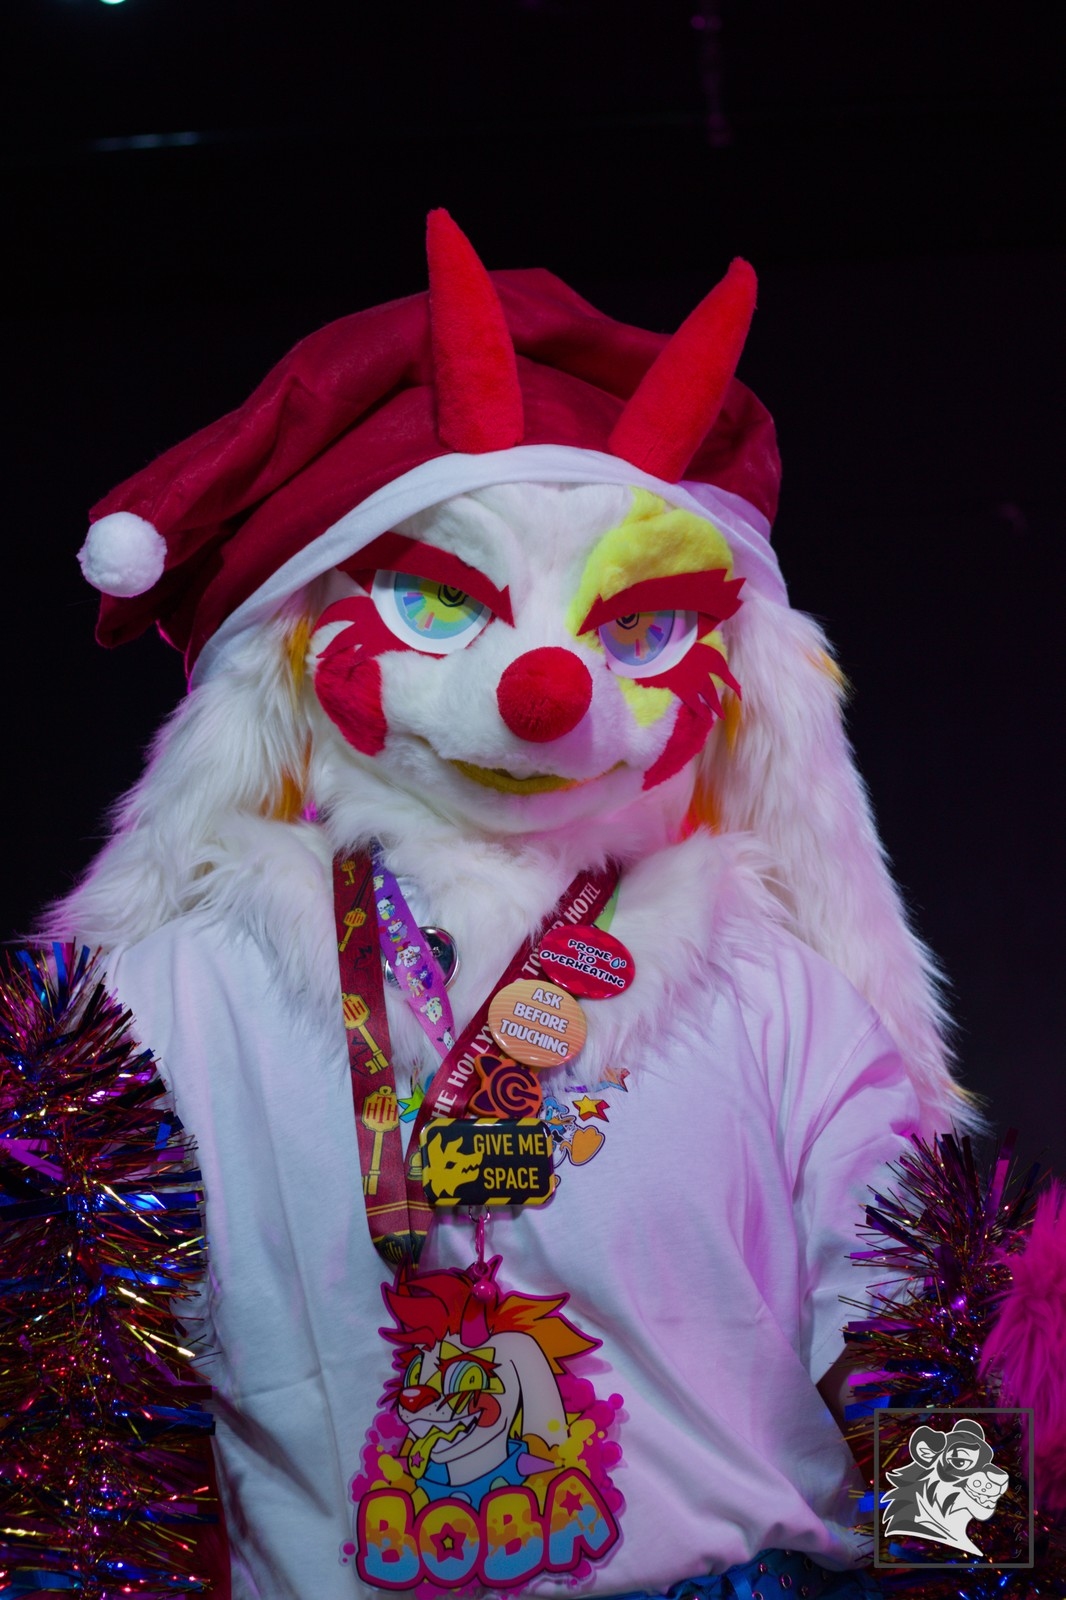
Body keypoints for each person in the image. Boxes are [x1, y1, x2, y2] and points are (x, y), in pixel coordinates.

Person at [44, 211, 976, 1599]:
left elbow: (914, 1331)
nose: (549, 693)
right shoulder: (158, 1001)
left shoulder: (776, 989)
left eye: (637, 628)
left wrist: (989, 1572)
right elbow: (74, 1427)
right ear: (286, 648)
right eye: (439, 604)